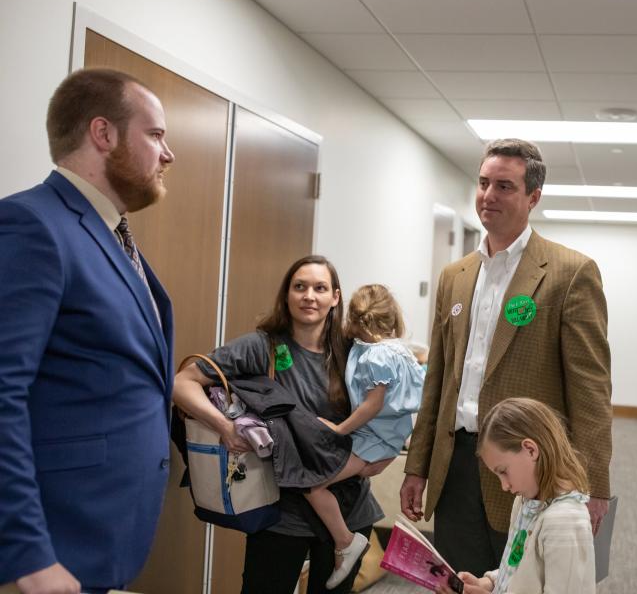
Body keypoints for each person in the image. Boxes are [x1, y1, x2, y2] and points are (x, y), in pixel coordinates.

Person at [401, 138, 612, 577]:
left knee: (519, 584)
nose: (488, 196)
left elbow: (590, 391)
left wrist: (594, 486)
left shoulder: (570, 273)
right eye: (482, 183)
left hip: (530, 469)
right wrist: (418, 465)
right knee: (459, 582)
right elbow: (437, 380)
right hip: (457, 463)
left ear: (533, 196)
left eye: (504, 186)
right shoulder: (454, 277)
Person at [0, 68, 176, 593]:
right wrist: (26, 557)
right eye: (156, 135)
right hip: (49, 552)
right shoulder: (33, 226)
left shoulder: (110, 234)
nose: (168, 155)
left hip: (104, 542)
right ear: (104, 134)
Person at [172, 255, 387, 594]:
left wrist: (382, 455)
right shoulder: (262, 346)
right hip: (282, 514)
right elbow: (182, 383)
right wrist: (226, 428)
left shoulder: (355, 353)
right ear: (286, 295)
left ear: (336, 297)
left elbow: (392, 404)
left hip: (348, 510)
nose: (309, 296)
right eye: (299, 287)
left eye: (320, 288)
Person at [306, 284, 424, 588]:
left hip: (372, 439)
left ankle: (346, 542)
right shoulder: (401, 350)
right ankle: (345, 543)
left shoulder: (375, 357)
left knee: (314, 484)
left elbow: (373, 405)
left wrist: (339, 429)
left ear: (357, 320)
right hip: (389, 436)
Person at [436, 397, 595, 594]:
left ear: (530, 450)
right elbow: (515, 566)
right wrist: (488, 583)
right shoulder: (525, 502)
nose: (504, 486)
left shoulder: (564, 520)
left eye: (503, 471)